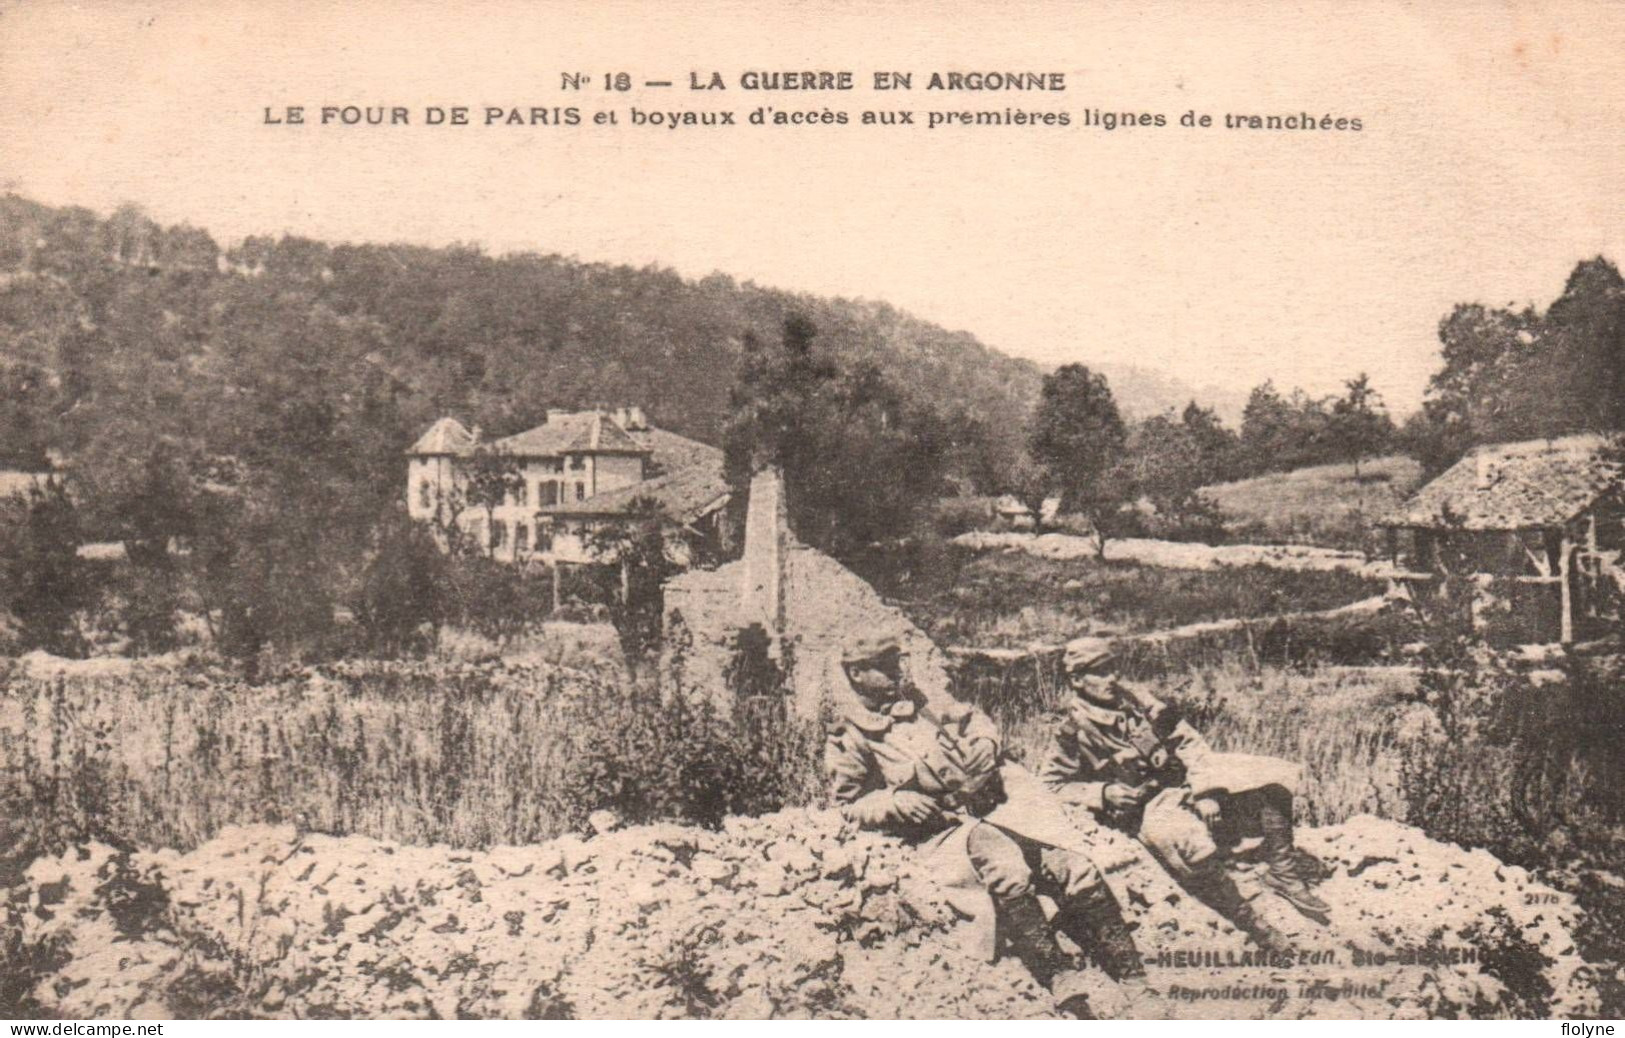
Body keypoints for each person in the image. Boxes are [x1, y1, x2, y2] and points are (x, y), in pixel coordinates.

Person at [825, 634, 1150, 1019]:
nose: (898, 670)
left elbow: (974, 717)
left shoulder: (923, 702)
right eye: (886, 664)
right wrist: (894, 801)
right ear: (858, 674)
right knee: (1009, 869)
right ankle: (1060, 977)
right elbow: (849, 804)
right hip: (944, 830)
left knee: (1075, 866)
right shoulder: (851, 735)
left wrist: (984, 742)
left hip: (994, 807)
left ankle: (1134, 979)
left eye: (898, 660)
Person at [1040, 638, 1331, 954]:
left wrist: (1207, 789)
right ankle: (1256, 926)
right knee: (1189, 845)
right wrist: (1103, 793)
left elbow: (1187, 741)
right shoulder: (1072, 730)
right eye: (1098, 672)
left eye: (1112, 668)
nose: (1110, 678)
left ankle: (1283, 874)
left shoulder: (1137, 700)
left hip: (1184, 780)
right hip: (1147, 805)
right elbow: (1051, 785)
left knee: (1275, 777)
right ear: (1077, 680)